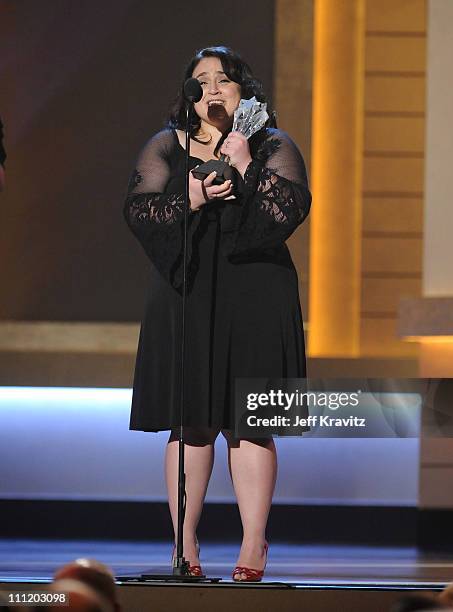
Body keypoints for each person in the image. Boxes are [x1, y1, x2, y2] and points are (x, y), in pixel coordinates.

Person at [123, 45, 311, 581]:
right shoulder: (166, 145)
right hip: (188, 288)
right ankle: (184, 541)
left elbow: (289, 208)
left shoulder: (273, 142)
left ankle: (254, 543)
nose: (211, 88)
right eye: (200, 80)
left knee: (251, 422)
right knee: (192, 421)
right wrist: (192, 197)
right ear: (189, 94)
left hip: (256, 291)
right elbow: (139, 211)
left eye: (223, 79)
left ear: (243, 90)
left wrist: (247, 165)